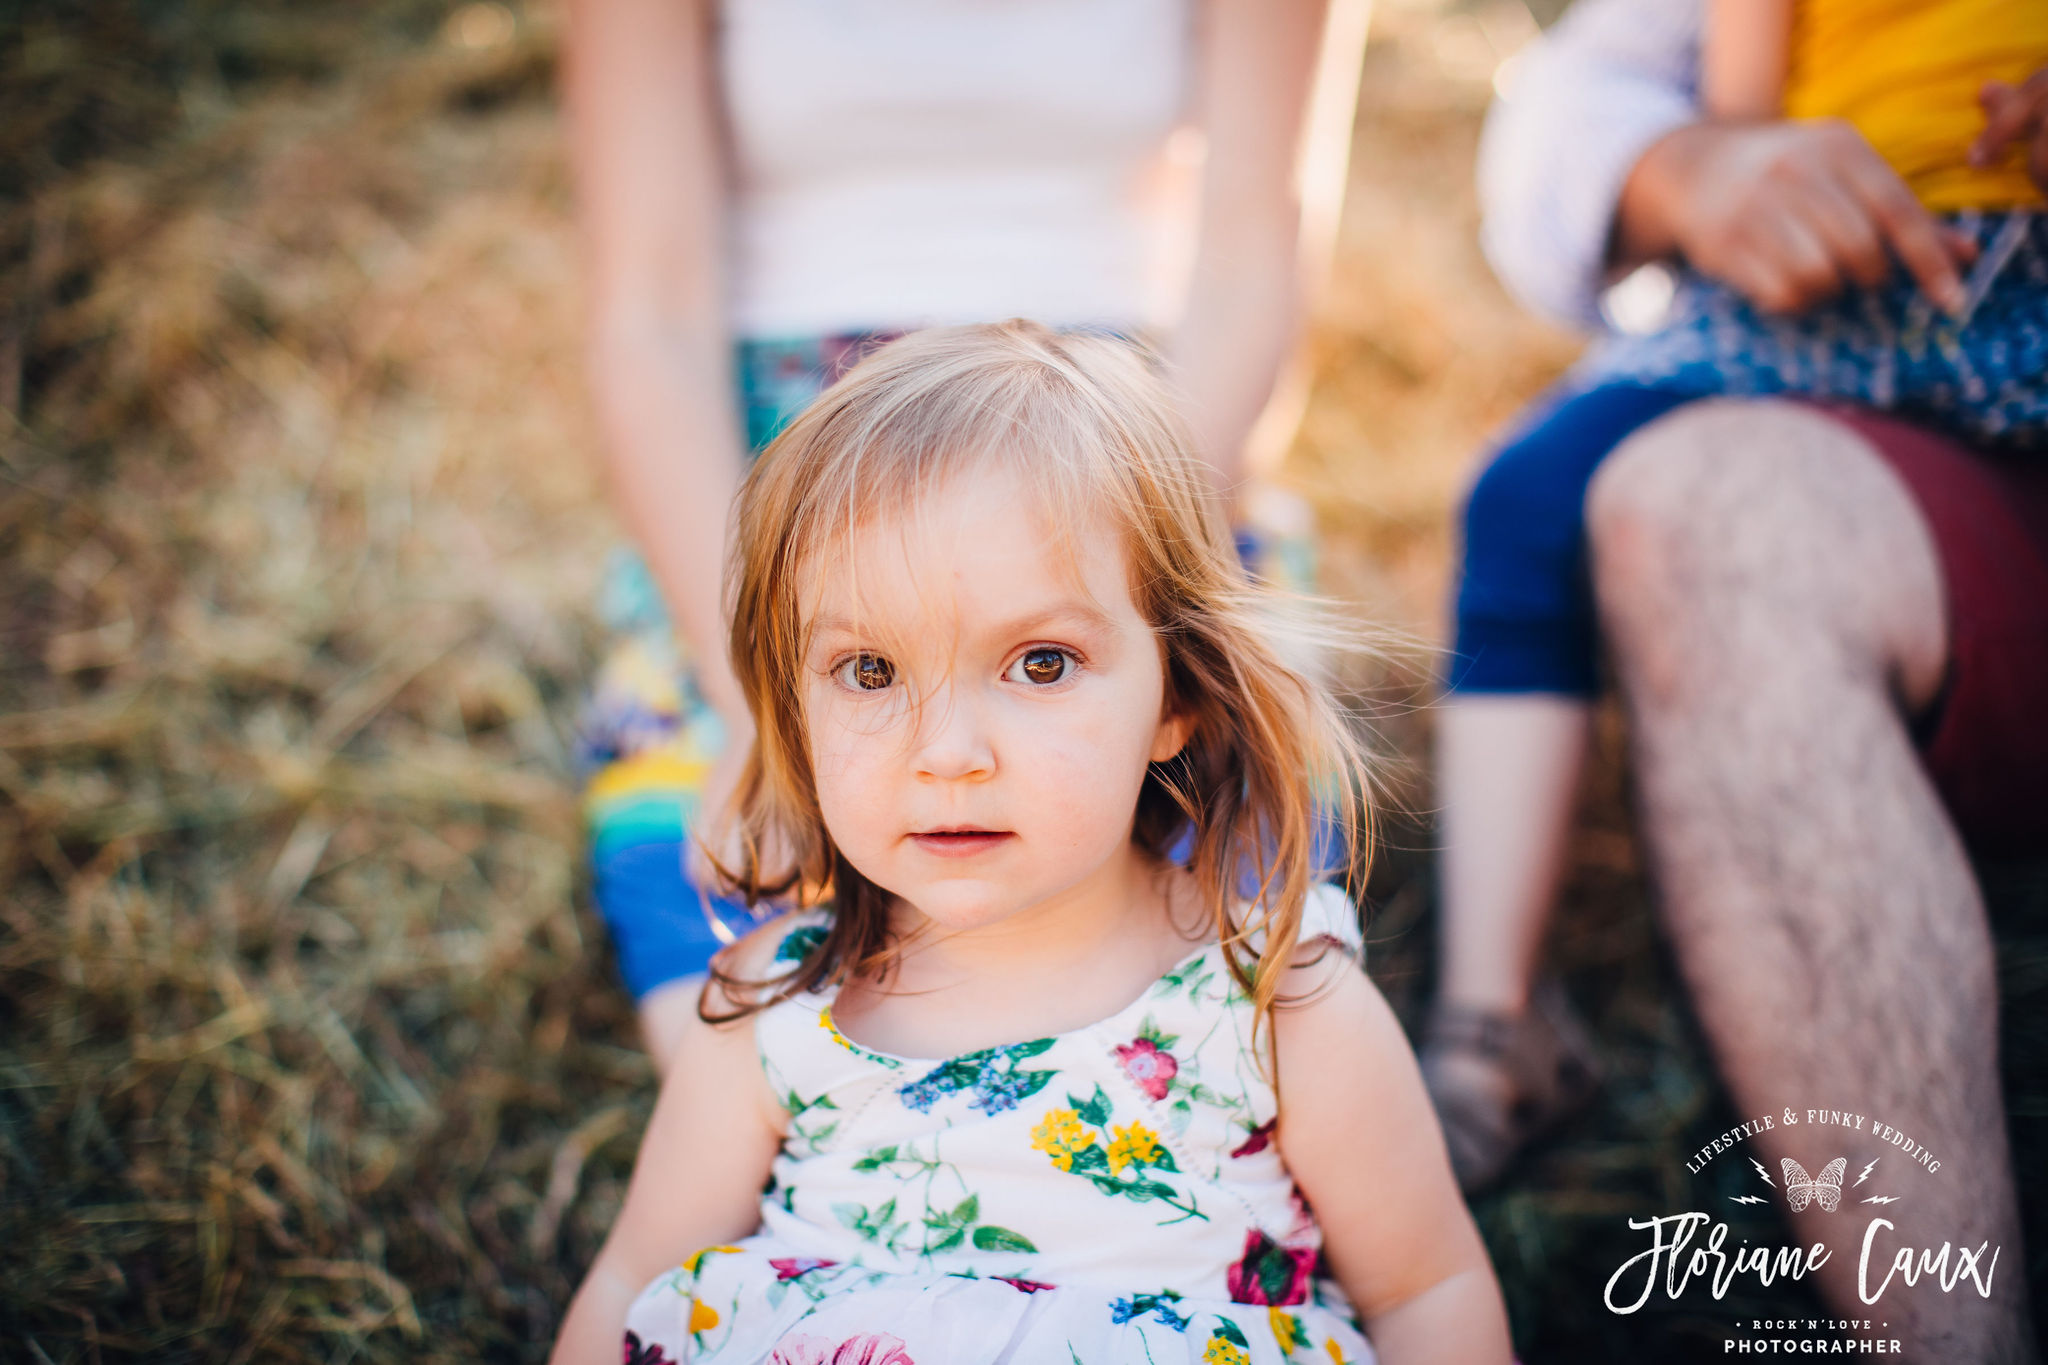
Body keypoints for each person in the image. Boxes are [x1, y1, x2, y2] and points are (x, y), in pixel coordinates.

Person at [548, 324, 1514, 1365]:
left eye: (1040, 664)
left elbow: (1427, 1291)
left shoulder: (1274, 1000)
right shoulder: (771, 1009)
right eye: (869, 672)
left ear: (1175, 696)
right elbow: (631, 1283)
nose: (948, 754)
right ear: (791, 703)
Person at [561, 0, 1368, 1072]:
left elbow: (1253, 273)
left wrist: (1138, 556)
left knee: (1240, 976)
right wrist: (754, 688)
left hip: (1119, 457)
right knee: (741, 1020)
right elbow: (646, 319)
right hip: (788, 483)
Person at [1426, 0, 2048, 1356]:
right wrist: (1703, 171)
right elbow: (1617, 101)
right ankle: (1490, 1015)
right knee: (1547, 491)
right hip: (1884, 303)